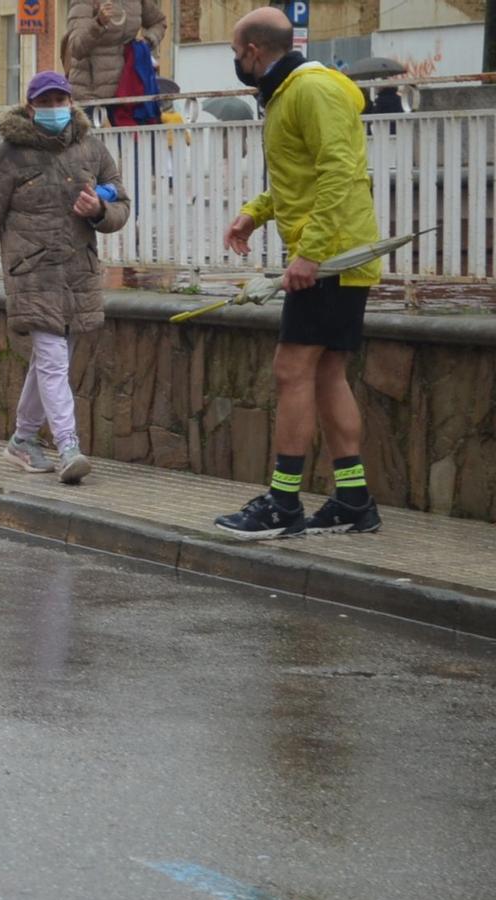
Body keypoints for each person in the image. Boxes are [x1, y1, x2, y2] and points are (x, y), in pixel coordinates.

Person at [215, 8, 383, 538]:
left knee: (292, 370)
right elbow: (301, 174)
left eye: (236, 53)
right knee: (327, 373)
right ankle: (353, 500)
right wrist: (256, 211)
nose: (237, 62)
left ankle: (283, 504)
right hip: (337, 253)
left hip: (333, 258)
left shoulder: (310, 91)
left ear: (253, 52)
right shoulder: (289, 93)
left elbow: (340, 170)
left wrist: (309, 253)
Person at [0, 70, 130, 485]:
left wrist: (99, 211)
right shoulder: (9, 156)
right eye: (45, 103)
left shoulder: (91, 148)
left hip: (77, 273)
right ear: (31, 108)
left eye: (59, 101)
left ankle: (23, 438)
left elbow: (120, 201)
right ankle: (69, 447)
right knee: (52, 359)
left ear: (70, 102)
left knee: (52, 360)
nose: (53, 109)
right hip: (31, 274)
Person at [62, 0, 167, 115]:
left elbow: (159, 22)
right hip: (92, 96)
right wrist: (98, 23)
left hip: (127, 91)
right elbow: (76, 48)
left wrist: (146, 43)